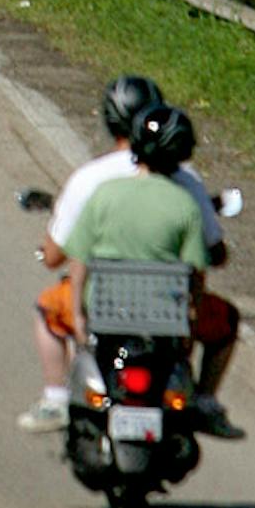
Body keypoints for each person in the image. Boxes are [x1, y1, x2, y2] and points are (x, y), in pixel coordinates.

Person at [22, 74, 242, 439]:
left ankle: (56, 398)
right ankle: (205, 402)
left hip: (103, 306)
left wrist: (78, 311)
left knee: (48, 309)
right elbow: (204, 262)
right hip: (168, 312)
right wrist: (188, 317)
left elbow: (65, 258)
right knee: (227, 320)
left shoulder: (96, 184)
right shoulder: (187, 190)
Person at [65, 102, 206, 339]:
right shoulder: (186, 205)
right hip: (163, 320)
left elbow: (79, 260)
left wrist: (78, 315)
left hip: (104, 313)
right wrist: (191, 322)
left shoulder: (104, 194)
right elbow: (196, 272)